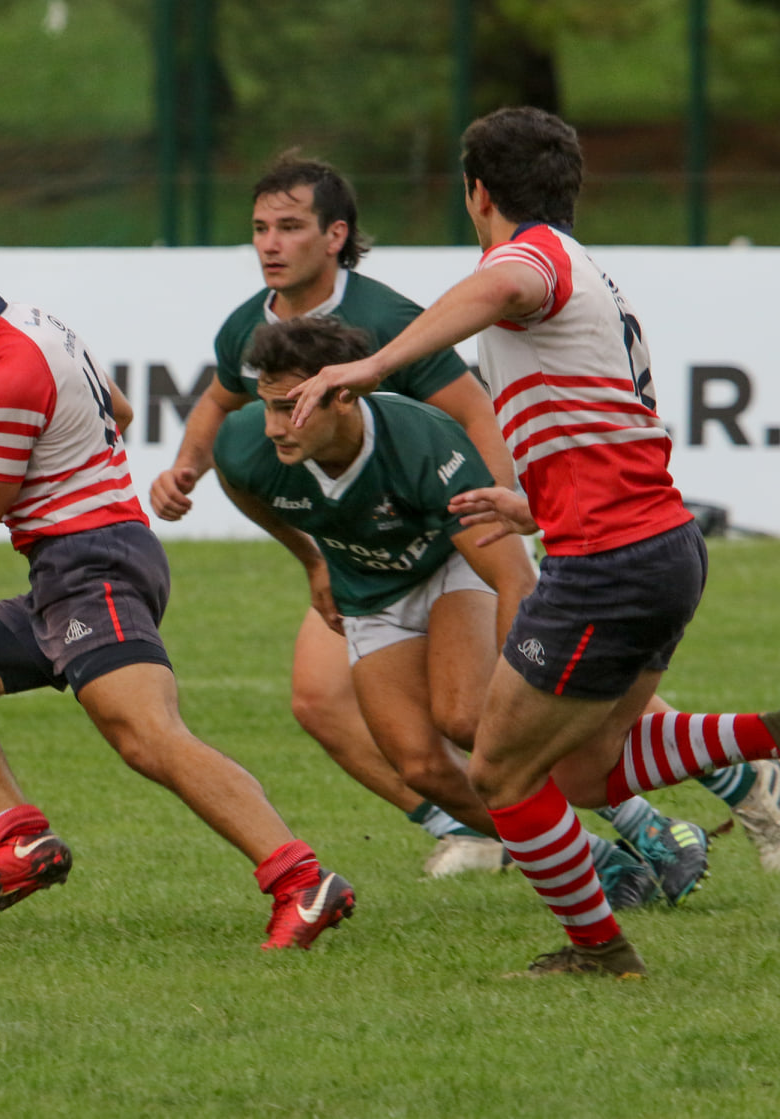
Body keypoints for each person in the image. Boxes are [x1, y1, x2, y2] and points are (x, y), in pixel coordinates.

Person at [286, 106, 780, 977]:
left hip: (611, 564)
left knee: (502, 772)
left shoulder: (532, 257)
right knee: (590, 773)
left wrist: (365, 365)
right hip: (656, 547)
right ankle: (766, 735)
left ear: (478, 192)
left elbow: (506, 283)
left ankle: (602, 950)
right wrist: (530, 503)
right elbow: (600, 425)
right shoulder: (586, 269)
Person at [0, 208, 354, 951]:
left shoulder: (3, 373)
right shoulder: (32, 323)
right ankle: (19, 840)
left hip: (93, 567)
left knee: (148, 735)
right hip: (80, 564)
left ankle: (300, 878)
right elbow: (117, 410)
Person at [216, 315, 707, 909]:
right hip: (372, 594)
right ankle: (591, 862)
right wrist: (312, 560)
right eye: (266, 406)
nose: (271, 427)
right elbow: (239, 483)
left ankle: (651, 827)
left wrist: (519, 690)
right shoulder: (246, 445)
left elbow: (511, 575)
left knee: (476, 722)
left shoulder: (423, 444)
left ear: (343, 397)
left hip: (456, 565)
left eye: (288, 408)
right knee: (422, 766)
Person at [148, 156, 524, 877]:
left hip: (444, 535)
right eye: (260, 228)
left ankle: (642, 806)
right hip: (359, 553)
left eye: (289, 227)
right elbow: (220, 404)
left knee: (480, 714)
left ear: (335, 235)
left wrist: (495, 517)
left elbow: (478, 415)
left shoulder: (385, 320)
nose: (270, 244)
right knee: (320, 702)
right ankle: (470, 824)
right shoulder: (246, 329)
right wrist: (186, 468)